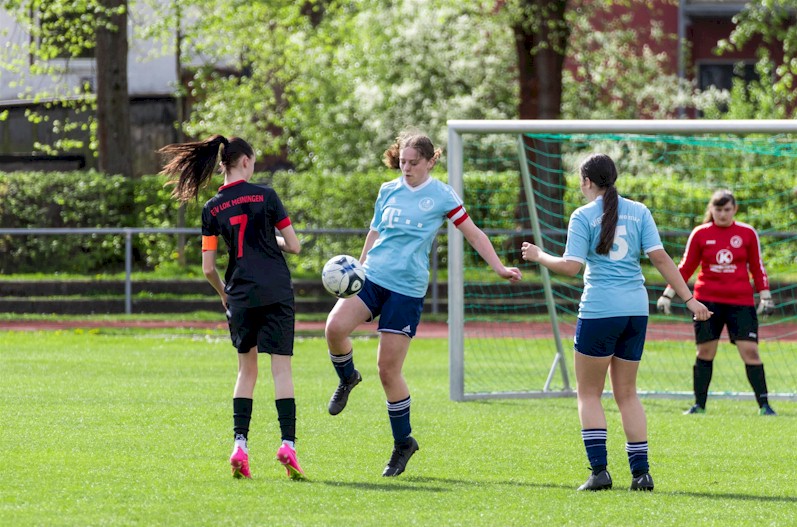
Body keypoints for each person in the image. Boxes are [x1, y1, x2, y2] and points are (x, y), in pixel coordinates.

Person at [325, 130, 522, 477]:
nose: (406, 168)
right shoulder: (387, 190)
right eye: (402, 162)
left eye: (414, 162)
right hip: (373, 277)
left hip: (407, 289)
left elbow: (474, 233)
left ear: (430, 161)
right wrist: (358, 267)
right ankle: (348, 377)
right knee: (334, 328)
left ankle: (403, 443)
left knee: (388, 371)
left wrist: (500, 268)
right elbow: (374, 232)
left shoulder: (442, 195)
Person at [521, 153, 711, 492]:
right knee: (627, 394)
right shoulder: (639, 211)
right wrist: (689, 299)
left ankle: (600, 472)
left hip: (600, 310)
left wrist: (539, 255)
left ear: (587, 182)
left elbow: (570, 267)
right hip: (636, 311)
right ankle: (641, 474)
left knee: (588, 393)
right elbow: (661, 259)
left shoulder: (583, 215)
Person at [158, 134, 305, 480]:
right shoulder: (267, 196)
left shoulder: (211, 208)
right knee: (281, 370)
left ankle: (240, 446)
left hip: (240, 295)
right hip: (275, 290)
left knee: (246, 372)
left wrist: (225, 294)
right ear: (245, 162)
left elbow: (208, 268)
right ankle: (287, 445)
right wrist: (270, 239)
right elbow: (294, 246)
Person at [657, 189, 776, 416]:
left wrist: (765, 295)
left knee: (751, 352)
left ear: (735, 209)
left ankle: (765, 406)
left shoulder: (747, 233)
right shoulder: (700, 234)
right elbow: (686, 267)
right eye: (718, 209)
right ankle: (699, 406)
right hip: (706, 302)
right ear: (711, 209)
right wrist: (668, 294)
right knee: (705, 352)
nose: (722, 214)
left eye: (727, 209)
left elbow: (757, 266)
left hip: (741, 302)